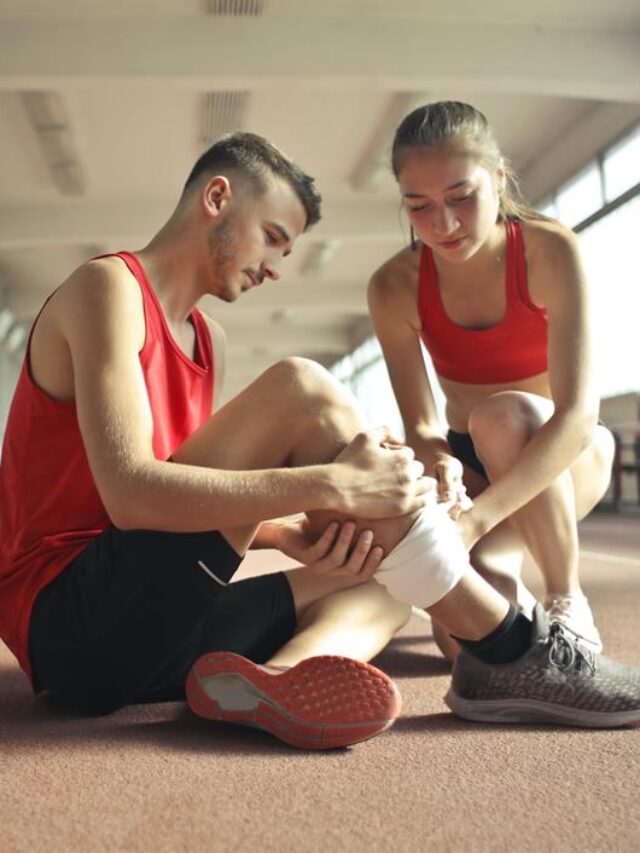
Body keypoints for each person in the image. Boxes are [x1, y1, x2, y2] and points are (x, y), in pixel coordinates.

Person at [1, 133, 639, 753]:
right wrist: (333, 485)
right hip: (73, 627)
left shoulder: (208, 339)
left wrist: (287, 534)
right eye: (273, 239)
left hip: (150, 633)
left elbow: (184, 498)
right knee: (302, 387)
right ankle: (510, 648)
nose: (276, 269)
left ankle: (279, 677)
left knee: (382, 578)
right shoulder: (107, 288)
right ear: (217, 198)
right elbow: (132, 496)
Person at [368, 101, 615, 659]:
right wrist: (439, 462)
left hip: (565, 453)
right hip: (473, 465)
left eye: (461, 197)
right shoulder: (394, 286)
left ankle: (565, 598)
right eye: (419, 206)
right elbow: (424, 423)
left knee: (503, 416)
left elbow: (577, 415)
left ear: (498, 178)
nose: (444, 224)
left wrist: (476, 521)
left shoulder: (552, 251)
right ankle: (510, 587)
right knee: (465, 645)